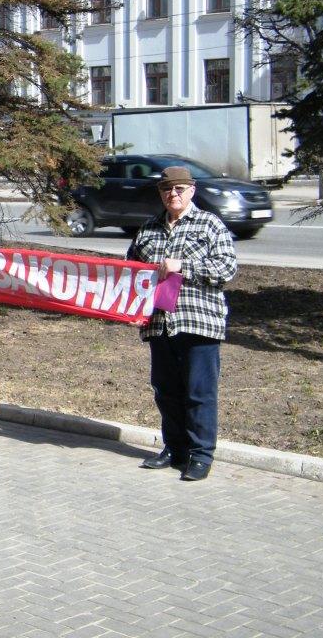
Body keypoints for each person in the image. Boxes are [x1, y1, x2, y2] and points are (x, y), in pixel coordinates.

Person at [127, 166, 237, 482]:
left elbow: (226, 269)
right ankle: (175, 449)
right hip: (159, 323)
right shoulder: (148, 229)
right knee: (166, 391)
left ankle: (201, 456)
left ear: (191, 190)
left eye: (178, 189)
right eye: (165, 189)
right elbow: (130, 271)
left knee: (199, 392)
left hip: (198, 321)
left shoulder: (210, 224)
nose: (171, 195)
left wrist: (183, 267)